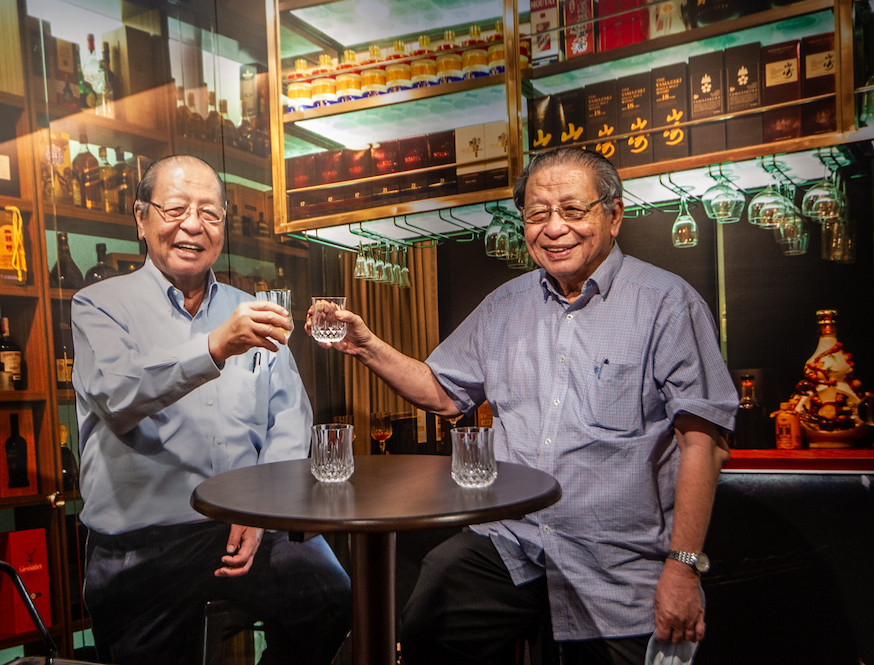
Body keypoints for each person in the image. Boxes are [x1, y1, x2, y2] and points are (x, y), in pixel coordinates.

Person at [306, 147, 738, 665]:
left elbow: (703, 443)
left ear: (614, 214)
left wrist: (684, 567)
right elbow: (441, 392)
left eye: (573, 211)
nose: (554, 228)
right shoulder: (505, 305)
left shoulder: (667, 302)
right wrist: (366, 345)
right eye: (537, 214)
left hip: (616, 563)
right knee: (429, 611)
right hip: (514, 544)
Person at [73, 154, 351, 665]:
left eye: (211, 214)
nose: (193, 226)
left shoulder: (251, 307)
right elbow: (119, 396)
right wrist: (215, 346)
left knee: (331, 593)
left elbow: (290, 419)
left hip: (243, 522)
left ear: (224, 226)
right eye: (175, 209)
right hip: (140, 544)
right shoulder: (99, 306)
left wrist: (265, 511)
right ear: (141, 218)